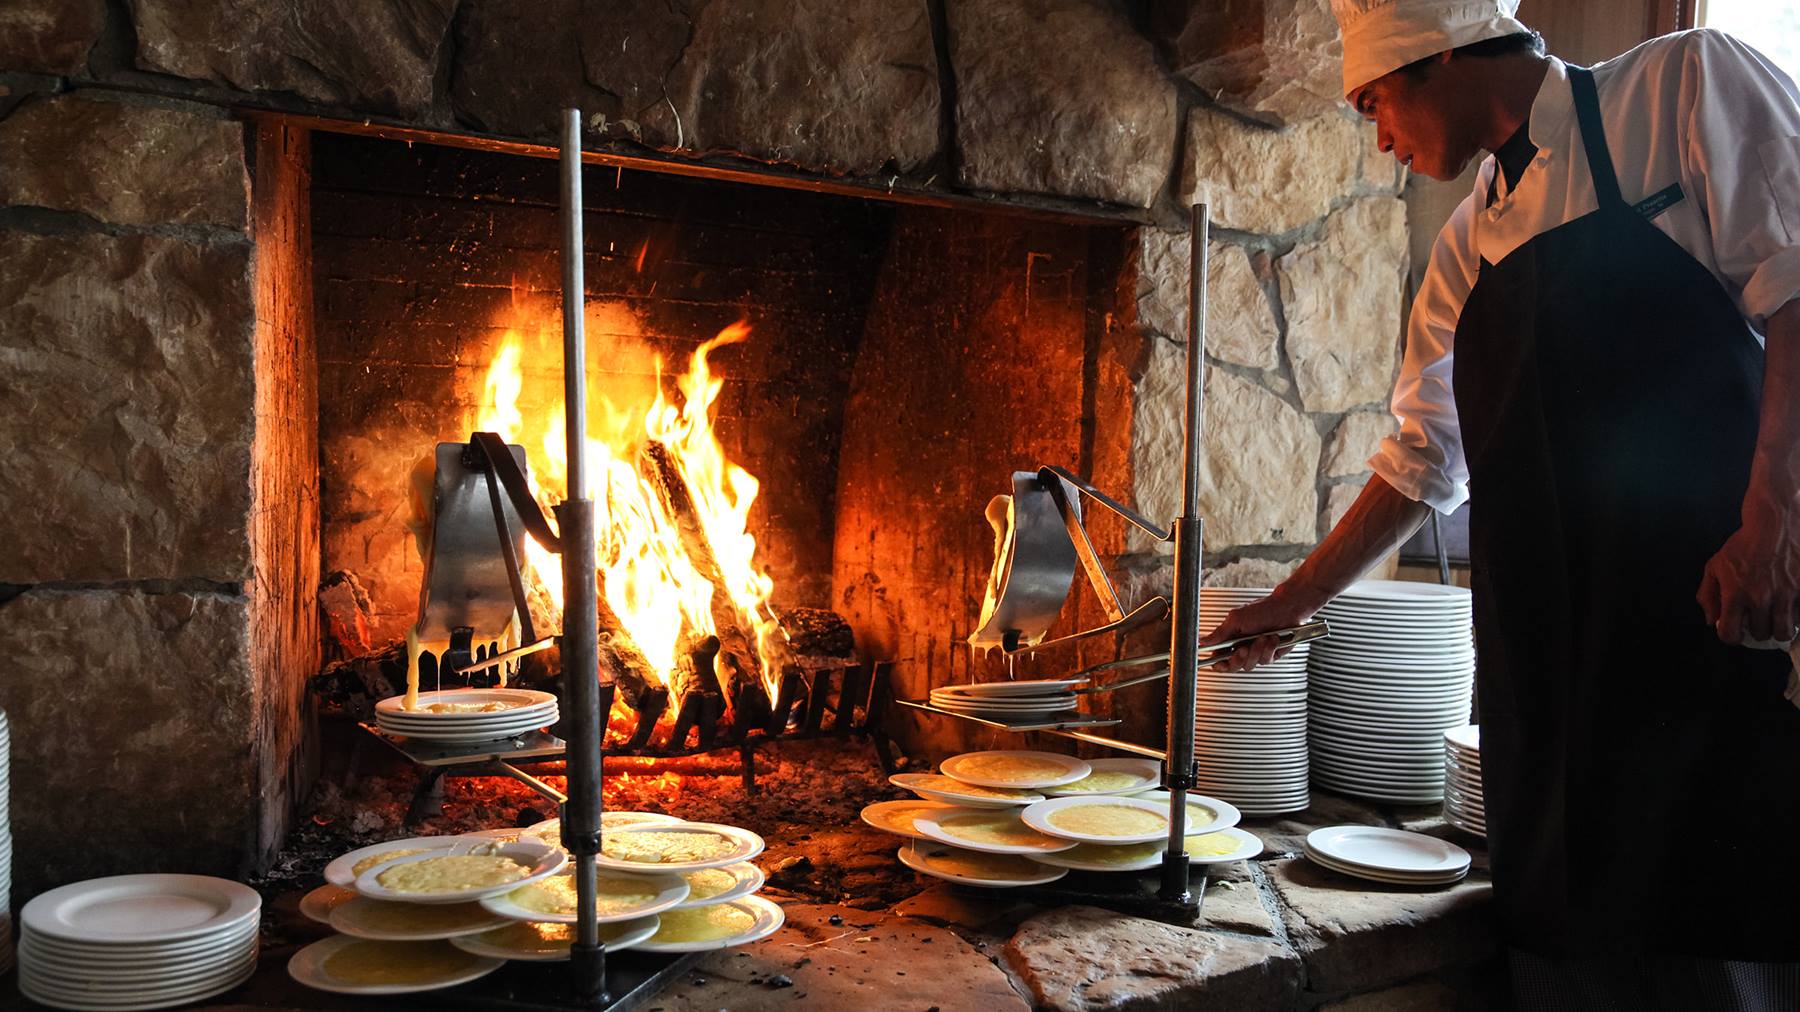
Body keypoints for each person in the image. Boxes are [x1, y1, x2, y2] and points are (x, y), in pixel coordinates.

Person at [1201, 1, 1800, 1006]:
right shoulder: (1466, 250)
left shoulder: (1681, 91)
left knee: (1712, 952)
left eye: (1376, 104)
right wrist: (1294, 601)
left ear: (1438, 56)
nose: (1380, 138)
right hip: (1548, 695)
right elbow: (1422, 463)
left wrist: (1774, 521)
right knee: (1567, 968)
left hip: (1701, 641)